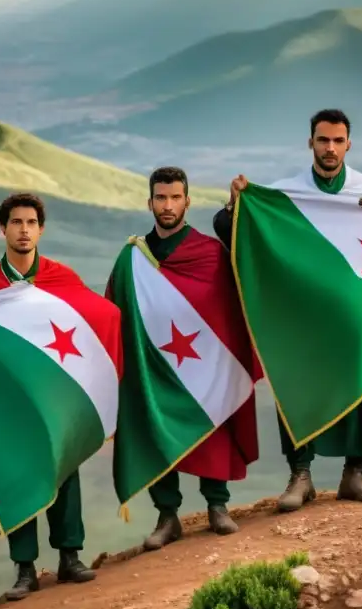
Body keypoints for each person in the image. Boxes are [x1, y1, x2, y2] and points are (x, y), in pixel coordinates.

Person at [212, 109, 362, 512]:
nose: (330, 148)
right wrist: (238, 205)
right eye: (322, 139)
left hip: (354, 320)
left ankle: (355, 473)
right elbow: (230, 230)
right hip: (303, 320)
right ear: (310, 142)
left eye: (337, 140)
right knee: (293, 379)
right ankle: (301, 475)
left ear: (349, 144)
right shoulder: (286, 193)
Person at [107, 166, 259, 551]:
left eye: (175, 198)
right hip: (151, 368)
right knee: (154, 429)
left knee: (215, 422)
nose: (168, 205)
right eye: (161, 197)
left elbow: (233, 311)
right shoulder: (131, 258)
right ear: (150, 202)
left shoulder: (211, 254)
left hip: (203, 367)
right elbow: (112, 312)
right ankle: (167, 516)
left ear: (187, 202)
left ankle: (217, 506)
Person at [0, 193, 96, 601]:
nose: (23, 229)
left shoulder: (63, 278)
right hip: (7, 407)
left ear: (41, 228)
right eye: (15, 222)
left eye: (31, 222)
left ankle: (70, 556)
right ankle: (24, 569)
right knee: (18, 478)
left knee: (64, 471)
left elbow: (91, 324)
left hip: (54, 400)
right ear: (2, 229)